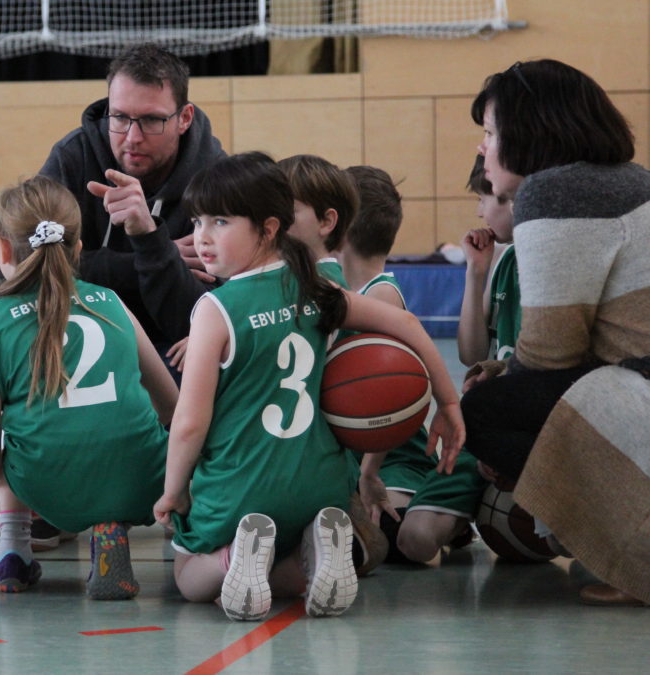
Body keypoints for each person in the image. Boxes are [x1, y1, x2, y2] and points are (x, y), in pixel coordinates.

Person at [154, 153, 465, 621]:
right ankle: (312, 550)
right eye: (197, 220)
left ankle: (232, 558)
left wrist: (174, 491)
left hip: (241, 485)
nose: (202, 236)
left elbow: (189, 423)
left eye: (220, 221)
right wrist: (448, 401)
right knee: (295, 572)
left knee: (186, 576)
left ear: (268, 228)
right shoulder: (319, 290)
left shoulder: (216, 309)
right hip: (320, 486)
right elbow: (405, 323)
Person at [462, 59, 650, 606]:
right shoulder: (629, 179)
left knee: (486, 411)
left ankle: (633, 550)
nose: (482, 149)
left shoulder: (555, 192)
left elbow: (551, 354)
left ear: (530, 132)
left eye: (491, 134)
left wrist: (494, 383)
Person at [0, 175, 178, 599]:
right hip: (141, 479)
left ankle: (14, 552)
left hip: (46, 485)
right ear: (78, 249)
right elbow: (171, 404)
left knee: (9, 429)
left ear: (3, 249)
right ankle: (111, 524)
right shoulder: (113, 302)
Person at [40, 43, 226, 355]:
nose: (132, 137)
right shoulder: (72, 158)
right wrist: (153, 257)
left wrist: (148, 236)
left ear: (184, 118)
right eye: (120, 117)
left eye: (152, 120)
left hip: (171, 353)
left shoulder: (216, 179)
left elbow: (192, 325)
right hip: (82, 346)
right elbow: (20, 264)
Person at [341, 165, 486, 564]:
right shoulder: (336, 290)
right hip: (347, 452)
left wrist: (369, 474)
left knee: (391, 534)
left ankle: (455, 515)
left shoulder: (380, 296)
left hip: (389, 453)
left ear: (339, 223)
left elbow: (386, 406)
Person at [457, 155, 519, 367]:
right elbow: (471, 357)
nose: (479, 212)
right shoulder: (502, 259)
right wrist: (475, 273)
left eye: (482, 200)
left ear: (510, 197)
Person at [276, 154, 359, 289]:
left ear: (326, 221)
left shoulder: (326, 287)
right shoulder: (292, 277)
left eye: (286, 210)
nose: (272, 222)